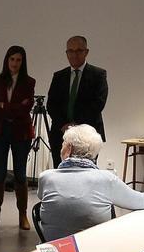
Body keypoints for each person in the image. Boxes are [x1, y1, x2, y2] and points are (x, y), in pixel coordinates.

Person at [37, 124, 144, 241]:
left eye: (63, 143)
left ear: (69, 148)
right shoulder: (106, 179)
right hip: (95, 249)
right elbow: (138, 201)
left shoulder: (46, 177)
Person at [0, 45, 36, 231]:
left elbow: (25, 109)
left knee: (20, 174)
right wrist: (12, 107)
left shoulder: (29, 82)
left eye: (18, 60)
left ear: (23, 62)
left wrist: (4, 106)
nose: (15, 63)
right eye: (12, 59)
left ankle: (22, 214)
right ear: (7, 60)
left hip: (20, 132)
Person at [47, 36, 109, 167]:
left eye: (79, 50)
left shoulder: (98, 75)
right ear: (66, 53)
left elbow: (98, 103)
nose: (74, 55)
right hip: (60, 134)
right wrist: (64, 125)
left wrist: (76, 126)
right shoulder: (59, 76)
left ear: (86, 52)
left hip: (88, 136)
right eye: (70, 51)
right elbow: (52, 104)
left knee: (86, 173)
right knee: (60, 172)